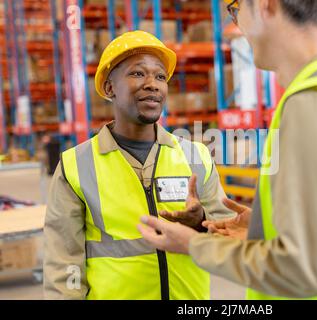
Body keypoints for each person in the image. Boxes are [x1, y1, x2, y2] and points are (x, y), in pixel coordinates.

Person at [138, 0, 317, 300]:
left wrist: (193, 245)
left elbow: (306, 269)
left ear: (266, 5)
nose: (237, 25)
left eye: (236, 9)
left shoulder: (311, 102)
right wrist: (268, 230)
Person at [43, 30, 234, 300]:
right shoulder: (76, 166)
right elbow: (63, 265)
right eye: (137, 73)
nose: (152, 84)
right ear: (110, 88)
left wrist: (202, 222)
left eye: (160, 76)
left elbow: (230, 242)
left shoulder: (196, 157)